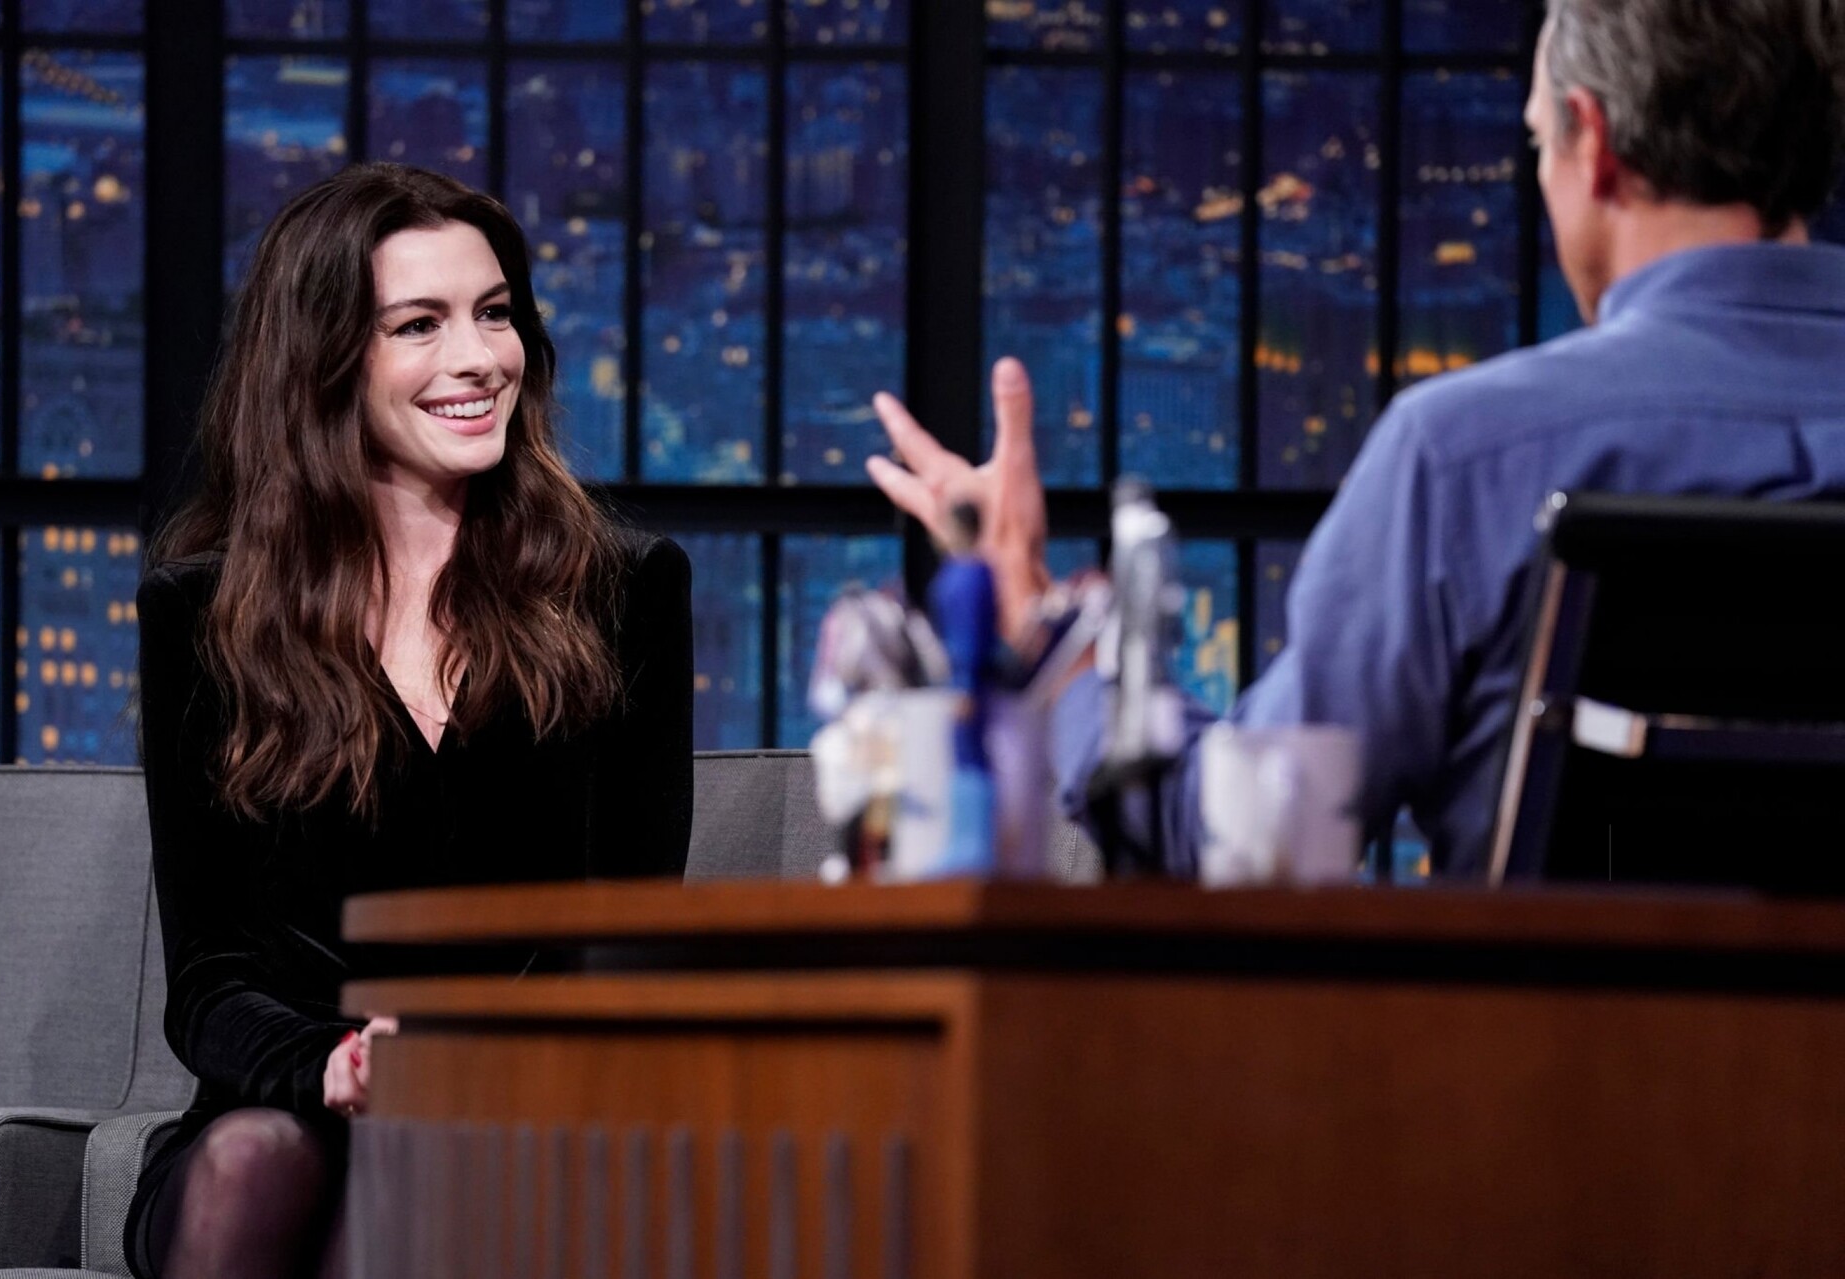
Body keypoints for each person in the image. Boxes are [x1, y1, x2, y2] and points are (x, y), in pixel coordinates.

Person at [866, 0, 1845, 879]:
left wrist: (1038, 619)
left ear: (1592, 143)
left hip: (1564, 1031)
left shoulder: (1465, 461)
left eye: (1538, 142)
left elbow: (1248, 847)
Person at [124, 163, 693, 1279]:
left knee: (417, 1177)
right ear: (324, 359)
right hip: (282, 1108)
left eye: (496, 313)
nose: (479, 358)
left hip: (510, 1118)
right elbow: (209, 979)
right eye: (419, 325)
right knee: (250, 1161)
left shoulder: (623, 592)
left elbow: (623, 939)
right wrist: (337, 1064)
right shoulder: (203, 612)